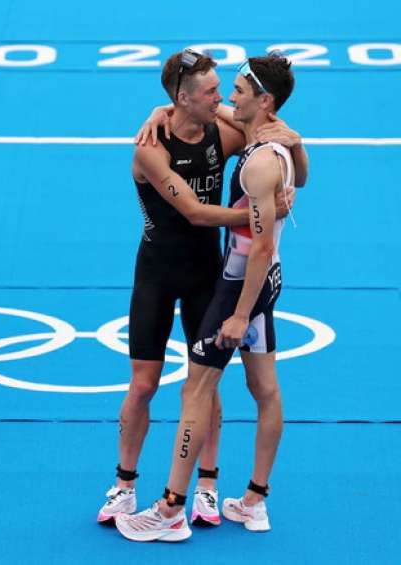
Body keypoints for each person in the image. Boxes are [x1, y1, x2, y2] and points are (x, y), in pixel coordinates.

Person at [98, 48, 307, 527]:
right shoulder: (150, 147)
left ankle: (206, 487)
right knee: (143, 385)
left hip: (208, 275)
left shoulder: (223, 130)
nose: (222, 99)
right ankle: (125, 484)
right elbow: (193, 212)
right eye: (212, 92)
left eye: (224, 90)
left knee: (205, 387)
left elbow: (260, 125)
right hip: (155, 274)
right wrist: (263, 212)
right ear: (182, 97)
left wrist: (293, 145)